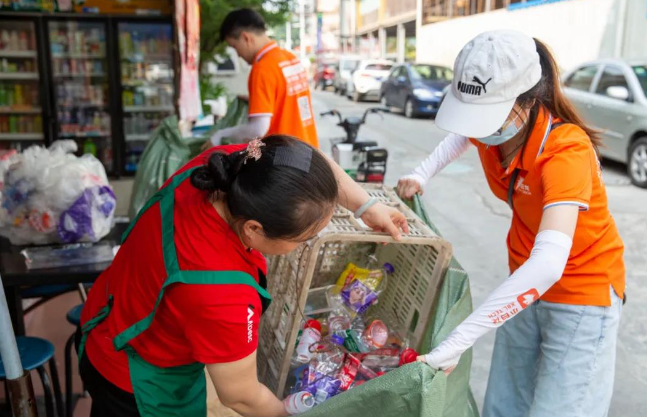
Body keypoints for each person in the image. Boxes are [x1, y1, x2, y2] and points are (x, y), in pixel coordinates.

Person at [79, 136, 408, 417]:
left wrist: (366, 207)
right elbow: (239, 394)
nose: (304, 245)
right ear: (254, 229)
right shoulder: (219, 289)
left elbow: (310, 160)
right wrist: (288, 411)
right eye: (303, 239)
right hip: (135, 381)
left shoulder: (233, 170)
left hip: (110, 309)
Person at [397, 30, 624, 417]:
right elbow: (460, 138)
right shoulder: (493, 126)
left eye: (484, 114)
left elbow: (549, 263)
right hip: (523, 284)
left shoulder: (566, 151)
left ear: (528, 99)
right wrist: (422, 173)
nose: (477, 128)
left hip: (581, 294)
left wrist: (458, 340)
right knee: (504, 406)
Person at [204, 8, 318, 150]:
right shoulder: (289, 58)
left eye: (234, 46)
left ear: (246, 38)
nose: (238, 55)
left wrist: (220, 135)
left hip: (286, 158)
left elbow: (258, 129)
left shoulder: (262, 69)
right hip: (308, 150)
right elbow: (286, 100)